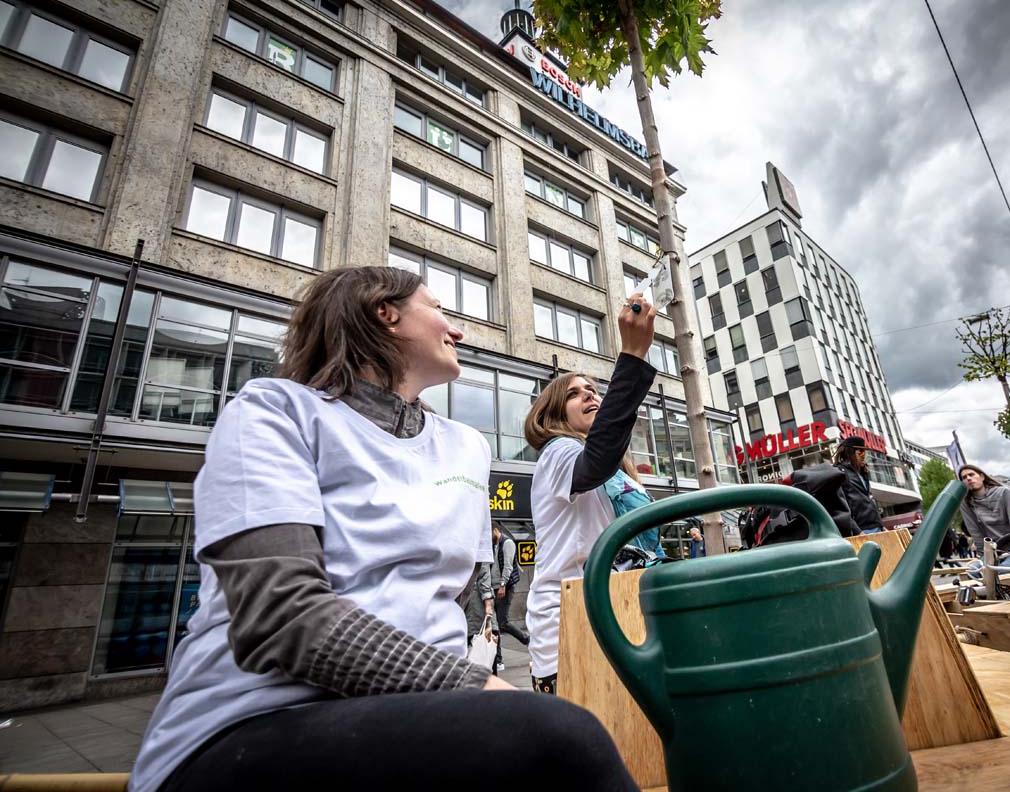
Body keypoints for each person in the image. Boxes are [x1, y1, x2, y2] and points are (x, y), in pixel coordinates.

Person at [130, 266, 635, 792]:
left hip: (424, 716)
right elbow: (280, 616)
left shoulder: (467, 446)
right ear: (385, 314)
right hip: (250, 723)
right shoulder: (272, 410)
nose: (456, 330)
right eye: (439, 309)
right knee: (562, 738)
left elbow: (445, 595)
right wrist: (475, 686)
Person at [524, 292, 659, 696]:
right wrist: (632, 355)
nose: (591, 395)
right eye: (576, 392)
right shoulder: (558, 453)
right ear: (552, 411)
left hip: (622, 618)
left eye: (595, 390)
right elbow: (595, 461)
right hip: (570, 628)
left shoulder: (622, 471)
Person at [957, 464, 1010, 554]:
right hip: (991, 551)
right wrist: (983, 555)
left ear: (982, 477)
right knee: (974, 568)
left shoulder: (1004, 492)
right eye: (964, 477)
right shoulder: (965, 503)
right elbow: (974, 530)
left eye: (971, 474)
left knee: (1003, 568)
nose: (969, 478)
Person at [491, 524, 529, 667]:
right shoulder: (494, 545)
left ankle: (526, 640)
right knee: (495, 624)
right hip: (493, 587)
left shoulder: (507, 543)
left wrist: (502, 585)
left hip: (504, 588)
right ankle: (498, 659)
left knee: (502, 622)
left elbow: (508, 566)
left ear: (496, 530)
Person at [833, 436, 881, 534]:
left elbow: (868, 500)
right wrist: (857, 531)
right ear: (850, 453)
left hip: (875, 527)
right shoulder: (840, 473)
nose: (864, 455)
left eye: (865, 452)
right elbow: (839, 507)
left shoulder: (863, 472)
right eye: (861, 452)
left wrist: (881, 525)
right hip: (861, 530)